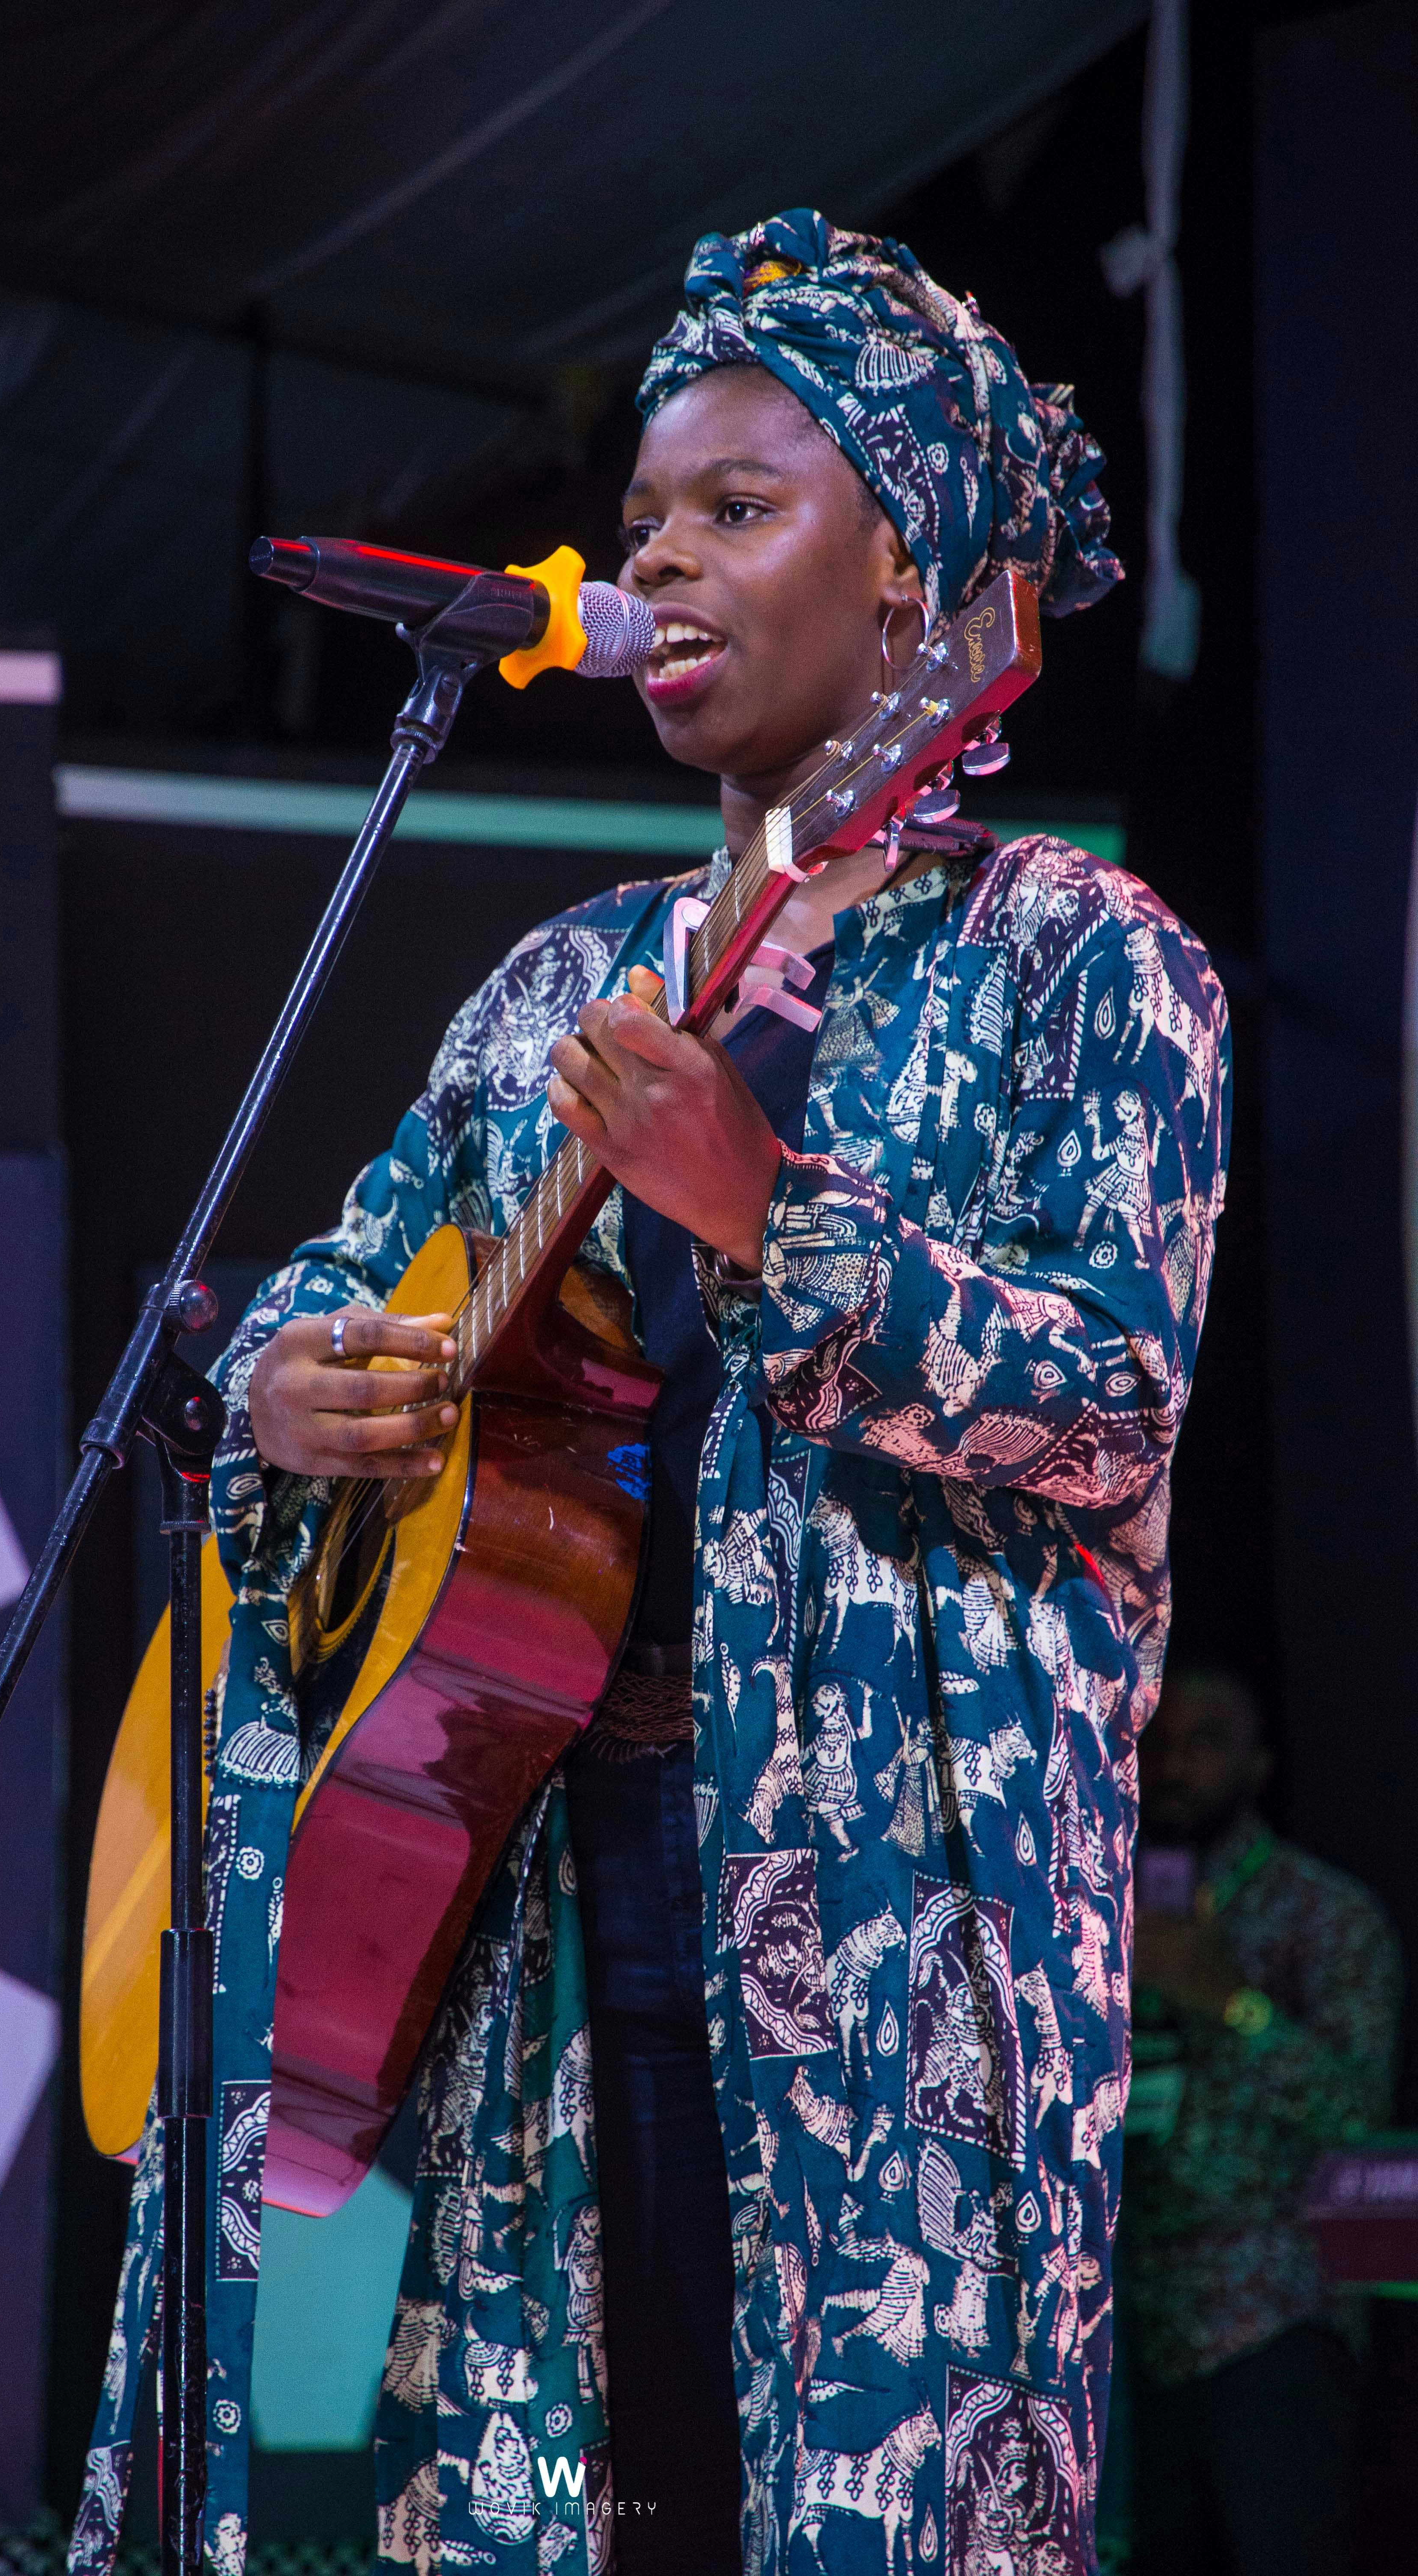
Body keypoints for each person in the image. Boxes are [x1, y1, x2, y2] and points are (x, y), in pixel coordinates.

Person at [70, 212, 1230, 2576]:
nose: (661, 561)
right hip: (552, 1912)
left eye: (739, 507)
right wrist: (293, 1380)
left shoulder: (1084, 962)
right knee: (575, 2514)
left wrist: (763, 1207)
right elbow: (332, 1283)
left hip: (903, 1945)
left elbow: (1108, 1402)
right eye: (644, 526)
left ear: (919, 579)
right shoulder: (558, 989)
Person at [1121, 1669, 1400, 2575]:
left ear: (1256, 1766)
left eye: (1202, 1743)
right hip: (1120, 2329)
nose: (1170, 1766)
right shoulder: (1088, 1908)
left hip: (1271, 2318)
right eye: (1156, 1741)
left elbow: (1359, 2115)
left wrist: (1228, 2001)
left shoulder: (1320, 1912)